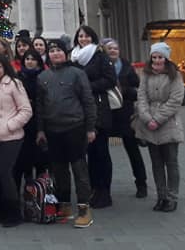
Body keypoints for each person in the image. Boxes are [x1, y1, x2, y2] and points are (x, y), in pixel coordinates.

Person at [36, 37, 96, 229]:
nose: (55, 54)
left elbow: (88, 101)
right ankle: (64, 205)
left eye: (59, 50)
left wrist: (90, 127)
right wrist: (40, 130)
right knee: (59, 170)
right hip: (53, 130)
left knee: (79, 169)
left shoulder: (77, 73)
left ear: (66, 53)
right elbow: (40, 106)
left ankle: (84, 209)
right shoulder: (43, 77)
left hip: (75, 127)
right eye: (52, 51)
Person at [134, 42, 185, 212]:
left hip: (168, 123)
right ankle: (161, 196)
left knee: (171, 162)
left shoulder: (175, 75)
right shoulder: (145, 74)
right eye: (154, 57)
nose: (157, 60)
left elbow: (175, 100)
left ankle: (172, 197)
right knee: (156, 163)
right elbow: (141, 97)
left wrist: (157, 119)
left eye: (160, 57)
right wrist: (146, 117)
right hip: (149, 123)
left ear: (166, 58)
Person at [71, 24, 117, 209]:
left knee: (101, 152)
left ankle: (104, 191)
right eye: (80, 36)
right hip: (79, 111)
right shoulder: (73, 57)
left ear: (93, 38)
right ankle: (93, 189)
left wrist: (88, 87)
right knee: (88, 153)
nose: (83, 39)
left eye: (87, 36)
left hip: (98, 110)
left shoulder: (100, 56)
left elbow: (110, 80)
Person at [0, 53, 31, 228]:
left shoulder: (14, 84)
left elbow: (26, 110)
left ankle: (14, 213)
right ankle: (2, 210)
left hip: (11, 136)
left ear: (5, 67)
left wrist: (10, 126)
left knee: (5, 172)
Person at [103, 39, 148, 198]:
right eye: (109, 48)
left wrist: (125, 91)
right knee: (102, 153)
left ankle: (141, 183)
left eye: (115, 48)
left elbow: (137, 87)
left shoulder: (127, 66)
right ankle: (103, 187)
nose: (113, 51)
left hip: (125, 115)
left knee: (132, 149)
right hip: (106, 114)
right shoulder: (99, 67)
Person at [13, 49, 49, 191]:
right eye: (27, 59)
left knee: (40, 161)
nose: (30, 62)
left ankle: (41, 193)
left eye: (33, 59)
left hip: (40, 121)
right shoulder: (18, 77)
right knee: (22, 161)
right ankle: (25, 192)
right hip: (22, 123)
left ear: (38, 61)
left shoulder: (44, 76)